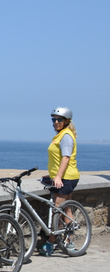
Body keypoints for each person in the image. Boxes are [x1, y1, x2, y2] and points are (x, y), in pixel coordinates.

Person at [41, 106, 80, 255]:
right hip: (63, 177)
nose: (56, 122)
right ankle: (69, 240)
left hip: (66, 178)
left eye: (59, 120)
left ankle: (51, 242)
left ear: (66, 121)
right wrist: (52, 175)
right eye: (54, 119)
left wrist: (58, 177)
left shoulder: (66, 136)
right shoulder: (60, 135)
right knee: (66, 209)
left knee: (56, 210)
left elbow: (66, 157)